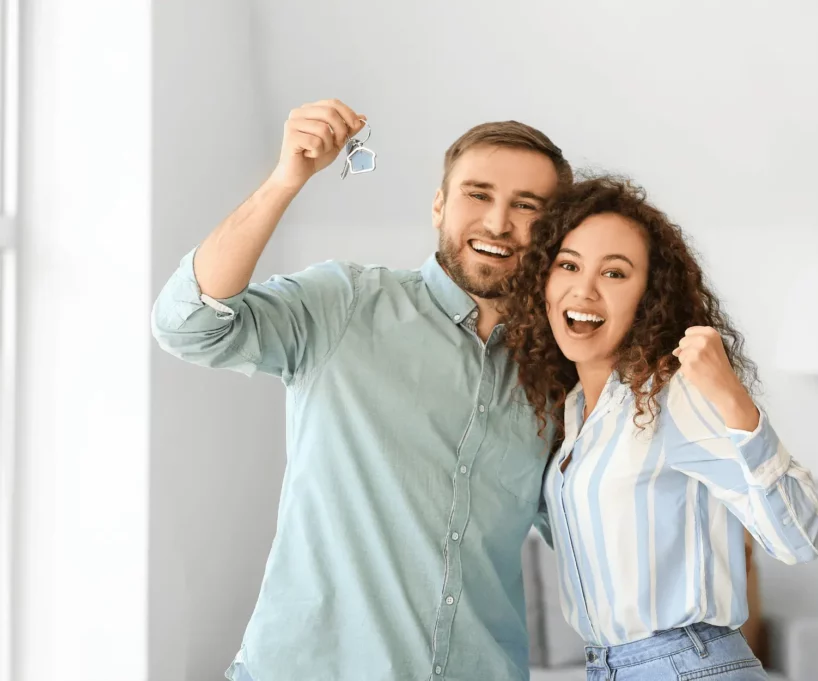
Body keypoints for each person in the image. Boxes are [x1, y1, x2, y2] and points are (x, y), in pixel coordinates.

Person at [151, 98, 574, 681]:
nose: (498, 223)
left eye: (526, 207)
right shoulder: (344, 302)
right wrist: (286, 179)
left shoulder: (559, 377)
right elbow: (187, 326)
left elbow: (586, 536)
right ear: (438, 206)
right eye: (478, 194)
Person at [503, 175, 818, 680]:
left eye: (615, 273)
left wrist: (731, 396)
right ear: (543, 282)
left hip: (688, 665)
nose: (584, 288)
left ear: (648, 298)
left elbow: (801, 539)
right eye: (568, 265)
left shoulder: (673, 396)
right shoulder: (571, 414)